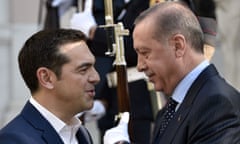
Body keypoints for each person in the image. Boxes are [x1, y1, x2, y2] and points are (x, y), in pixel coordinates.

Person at [104, 2, 240, 144]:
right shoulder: (169, 110)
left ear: (178, 46)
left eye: (145, 53)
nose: (140, 66)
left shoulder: (217, 104)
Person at [71, 0, 155, 143]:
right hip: (111, 101)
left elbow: (134, 47)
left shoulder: (149, 4)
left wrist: (93, 32)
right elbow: (107, 58)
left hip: (137, 101)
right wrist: (102, 100)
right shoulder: (118, 5)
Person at [0, 29, 100, 144]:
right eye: (83, 69)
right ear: (46, 78)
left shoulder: (80, 133)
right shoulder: (14, 140)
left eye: (93, 67)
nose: (96, 77)